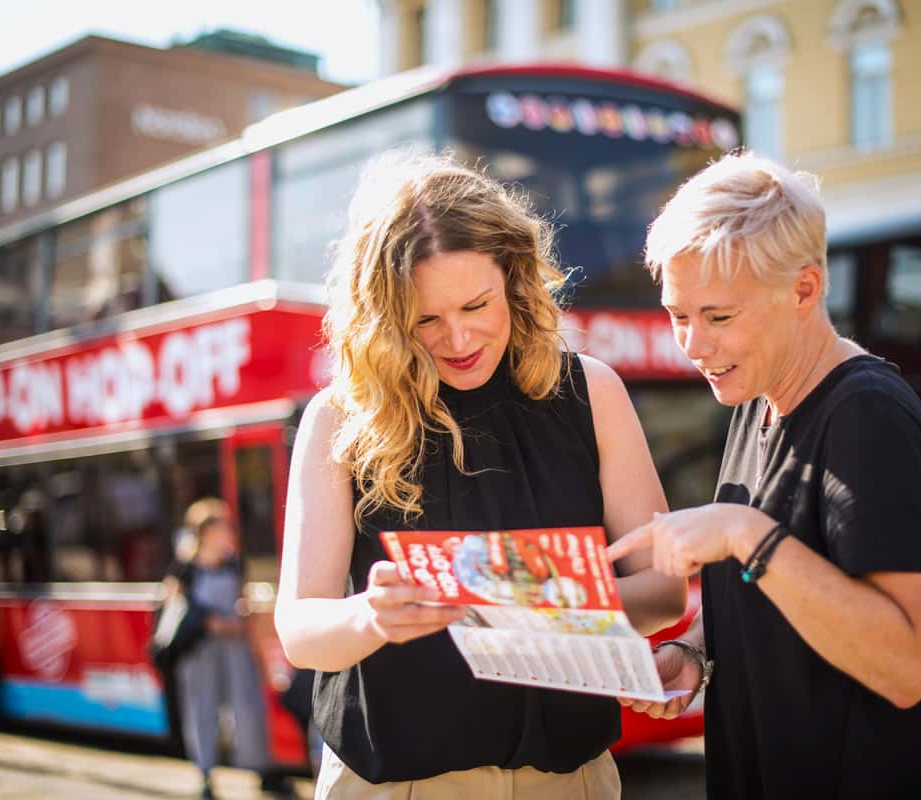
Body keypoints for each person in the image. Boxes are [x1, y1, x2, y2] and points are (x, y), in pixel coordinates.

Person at [274, 150, 685, 799]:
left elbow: (664, 592)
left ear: (517, 279)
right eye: (426, 319)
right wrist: (372, 618)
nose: (459, 338)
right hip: (395, 787)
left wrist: (533, 607)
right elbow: (299, 632)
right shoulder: (338, 418)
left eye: (477, 304)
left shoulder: (593, 392)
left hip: (570, 782)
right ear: (383, 315)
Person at [607, 151, 921, 799]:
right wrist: (697, 655)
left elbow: (905, 664)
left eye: (718, 316)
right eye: (679, 315)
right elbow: (776, 596)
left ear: (804, 290)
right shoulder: (755, 400)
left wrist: (747, 534)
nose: (692, 346)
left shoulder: (866, 414)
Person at [164, 498, 291, 800]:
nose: (228, 530)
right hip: (200, 650)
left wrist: (243, 615)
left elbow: (241, 594)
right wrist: (212, 623)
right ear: (205, 531)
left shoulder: (234, 561)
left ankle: (261, 770)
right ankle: (205, 774)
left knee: (247, 705)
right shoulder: (185, 567)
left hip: (236, 645)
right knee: (201, 708)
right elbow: (173, 605)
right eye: (222, 524)